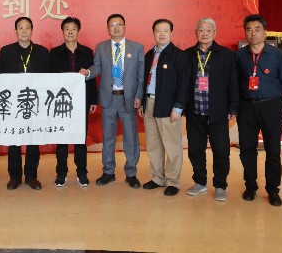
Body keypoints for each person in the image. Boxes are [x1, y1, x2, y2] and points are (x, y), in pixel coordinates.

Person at [80, 14, 145, 189]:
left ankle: (131, 173)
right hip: (108, 99)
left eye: (119, 24)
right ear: (107, 28)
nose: (116, 27)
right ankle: (108, 171)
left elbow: (141, 75)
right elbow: (97, 67)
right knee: (108, 137)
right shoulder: (101, 47)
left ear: (125, 27)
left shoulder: (137, 47)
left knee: (131, 137)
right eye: (112, 25)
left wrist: (139, 96)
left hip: (128, 99)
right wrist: (88, 73)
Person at [236, 14, 282, 207]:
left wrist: (271, 98)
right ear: (245, 33)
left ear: (265, 32)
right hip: (246, 108)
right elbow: (235, 81)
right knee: (247, 149)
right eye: (249, 29)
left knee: (273, 150)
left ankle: (273, 190)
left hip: (271, 107)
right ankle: (250, 186)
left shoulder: (277, 55)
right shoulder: (239, 55)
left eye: (257, 29)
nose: (253, 33)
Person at [183, 18, 239, 201]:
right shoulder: (188, 55)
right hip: (195, 112)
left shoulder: (226, 55)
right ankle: (200, 182)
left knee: (221, 151)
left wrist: (233, 107)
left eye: (209, 30)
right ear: (196, 33)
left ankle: (220, 185)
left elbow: (233, 83)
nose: (205, 33)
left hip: (218, 112)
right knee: (195, 150)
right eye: (201, 30)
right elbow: (182, 84)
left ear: (214, 33)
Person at [0, 16, 50, 190]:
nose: (24, 31)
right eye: (21, 28)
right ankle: (14, 177)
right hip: (13, 103)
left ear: (32, 31)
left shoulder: (42, 52)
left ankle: (31, 176)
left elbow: (49, 78)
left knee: (33, 140)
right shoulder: (6, 51)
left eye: (27, 28)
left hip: (35, 103)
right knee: (14, 140)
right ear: (15, 31)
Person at [140, 19, 189, 196]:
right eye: (158, 31)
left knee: (172, 145)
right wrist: (143, 102)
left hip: (168, 106)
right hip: (149, 103)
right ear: (153, 33)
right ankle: (157, 178)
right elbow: (144, 80)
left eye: (165, 31)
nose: (161, 34)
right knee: (153, 145)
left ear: (171, 33)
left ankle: (173, 181)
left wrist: (178, 107)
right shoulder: (149, 55)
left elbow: (184, 83)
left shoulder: (178, 55)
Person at [50, 17, 98, 187]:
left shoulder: (87, 52)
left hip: (81, 101)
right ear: (62, 32)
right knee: (62, 140)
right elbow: (49, 79)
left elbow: (91, 78)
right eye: (67, 29)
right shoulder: (54, 53)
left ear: (78, 31)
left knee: (80, 139)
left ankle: (82, 173)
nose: (70, 32)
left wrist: (93, 99)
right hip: (60, 102)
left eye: (73, 29)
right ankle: (61, 173)